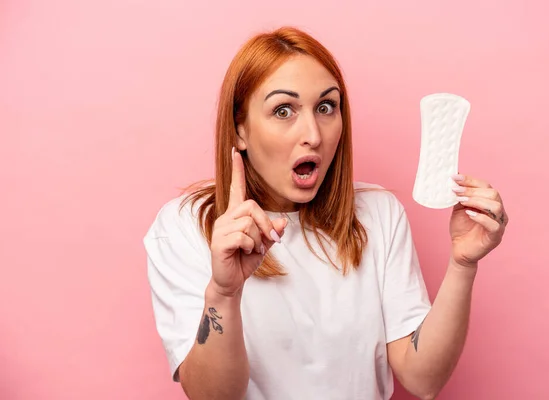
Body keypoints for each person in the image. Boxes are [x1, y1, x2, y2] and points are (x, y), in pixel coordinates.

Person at [143, 26, 508, 400]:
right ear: (240, 130)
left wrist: (463, 264)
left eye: (325, 107)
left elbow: (422, 379)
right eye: (283, 110)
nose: (313, 135)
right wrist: (223, 292)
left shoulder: (378, 213)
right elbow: (212, 396)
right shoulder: (184, 226)